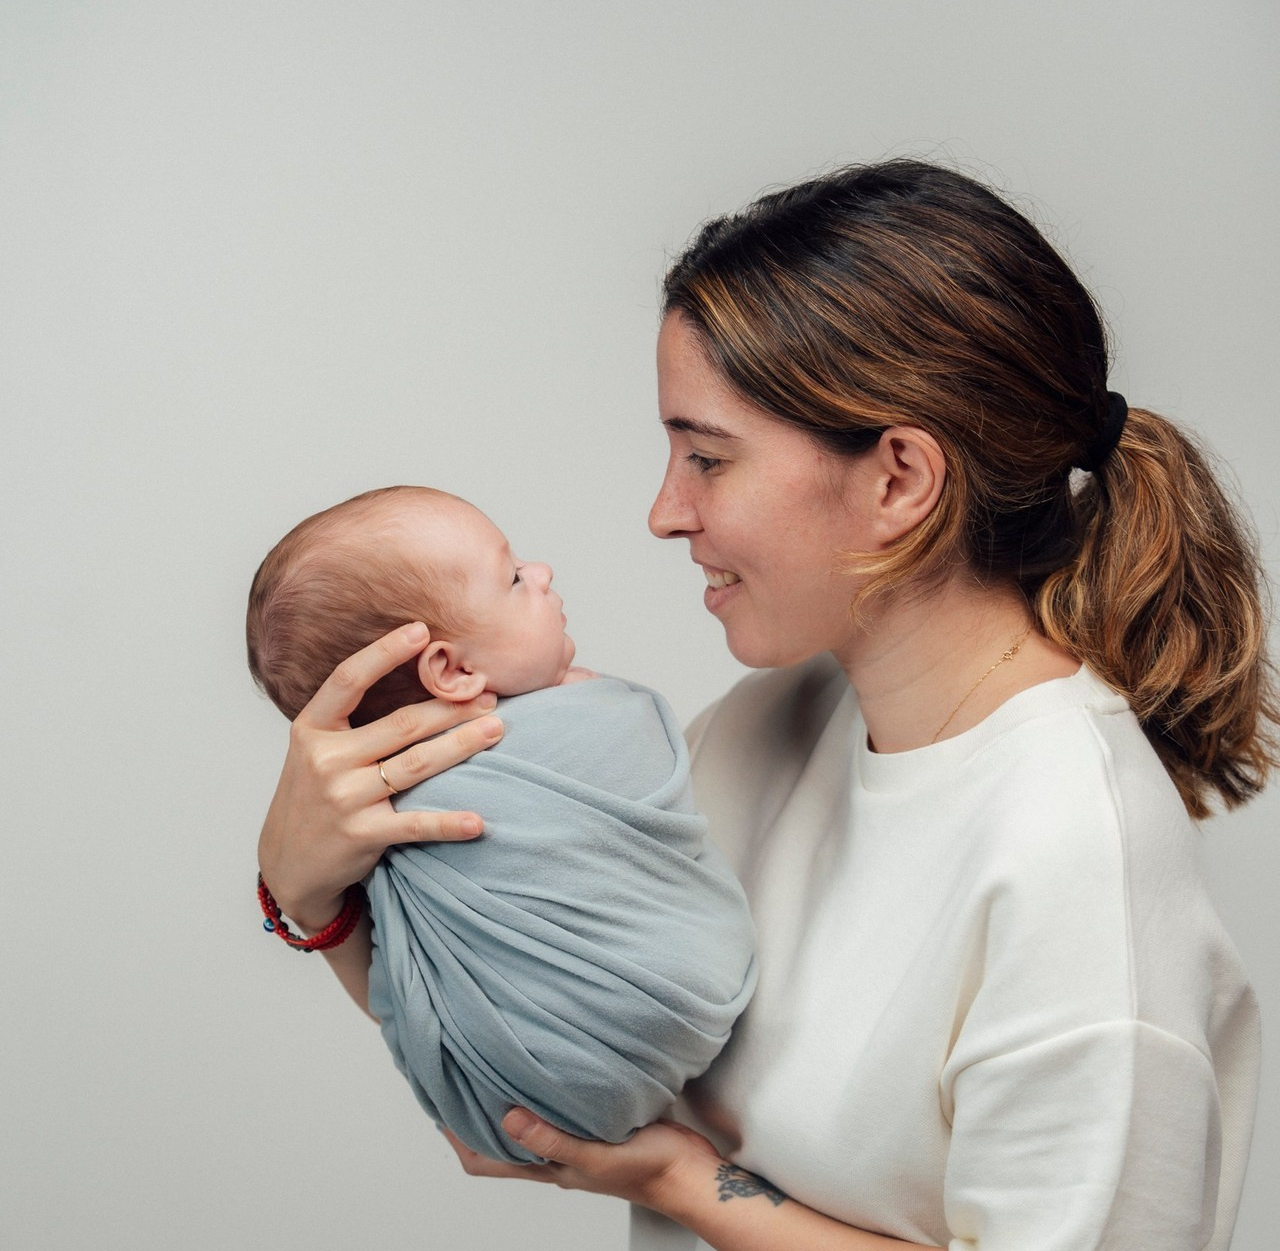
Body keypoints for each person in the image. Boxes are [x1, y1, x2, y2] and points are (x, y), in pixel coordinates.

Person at [256, 160, 1274, 1250]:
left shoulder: (1074, 859)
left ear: (898, 478)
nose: (662, 511)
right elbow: (534, 1033)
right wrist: (310, 895)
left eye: (705, 456)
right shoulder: (760, 730)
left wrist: (698, 1190)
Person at [247, 485, 757, 1164]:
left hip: (499, 1107)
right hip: (667, 1008)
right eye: (515, 578)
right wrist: (299, 895)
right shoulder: (602, 718)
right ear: (451, 670)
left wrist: (305, 901)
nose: (541, 573)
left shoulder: (395, 805)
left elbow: (421, 976)